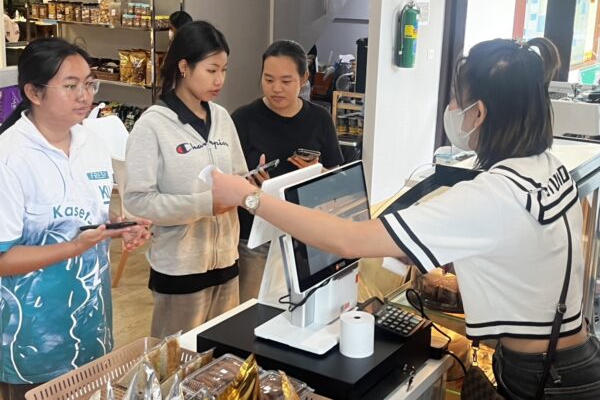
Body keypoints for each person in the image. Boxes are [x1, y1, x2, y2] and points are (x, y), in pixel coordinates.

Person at [213, 38, 600, 399]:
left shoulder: (493, 195)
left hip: (543, 377)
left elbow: (349, 240)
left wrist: (249, 197)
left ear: (479, 113)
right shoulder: (546, 167)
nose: (452, 109)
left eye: (456, 100)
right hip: (570, 357)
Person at [0, 38, 151, 399]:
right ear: (34, 93)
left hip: (91, 329)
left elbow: (84, 212)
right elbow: (3, 260)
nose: (85, 96)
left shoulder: (91, 144)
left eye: (89, 83)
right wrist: (74, 247)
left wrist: (117, 225)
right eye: (70, 86)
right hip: (32, 343)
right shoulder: (10, 158)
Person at [124, 21, 247, 339]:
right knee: (175, 361)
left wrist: (250, 183)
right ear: (184, 67)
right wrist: (205, 204)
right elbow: (138, 200)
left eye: (224, 70)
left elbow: (237, 175)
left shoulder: (222, 118)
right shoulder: (152, 125)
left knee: (223, 358)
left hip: (227, 261)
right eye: (211, 70)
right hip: (180, 269)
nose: (219, 80)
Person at [231, 39, 343, 302]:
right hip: (255, 237)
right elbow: (227, 179)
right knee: (252, 309)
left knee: (300, 306)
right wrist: (248, 183)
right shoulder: (243, 119)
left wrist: (317, 172)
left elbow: (336, 179)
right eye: (268, 79)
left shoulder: (319, 119)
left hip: (303, 235)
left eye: (286, 80)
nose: (276, 88)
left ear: (304, 79)